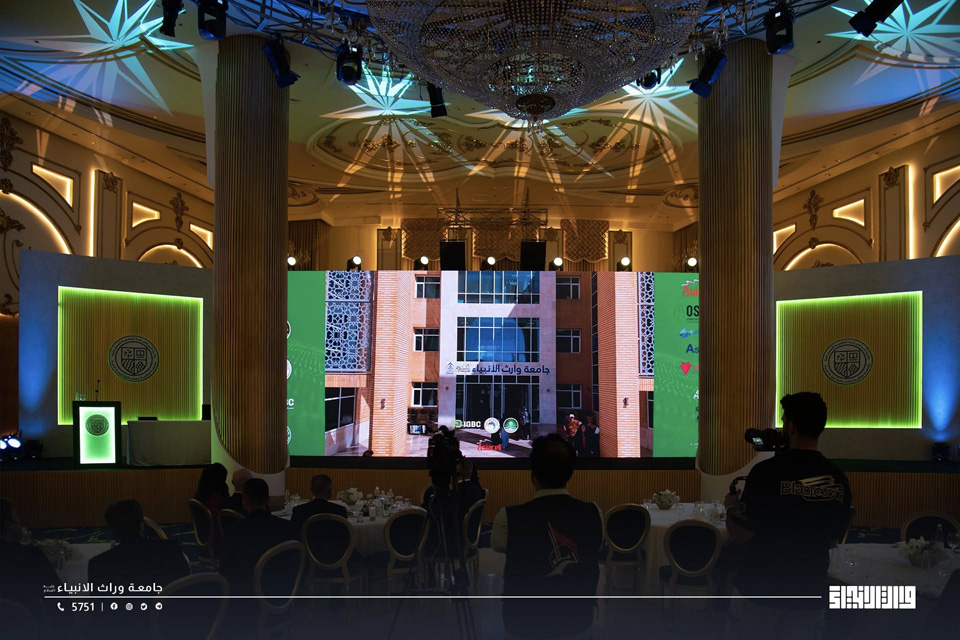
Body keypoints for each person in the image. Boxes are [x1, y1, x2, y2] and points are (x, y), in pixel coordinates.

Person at [724, 392, 852, 640]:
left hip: (760, 590)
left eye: (784, 421)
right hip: (810, 592)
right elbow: (832, 539)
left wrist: (732, 507)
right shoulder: (837, 477)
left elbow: (742, 533)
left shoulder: (765, 473)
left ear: (791, 427)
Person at [491, 434, 603, 639]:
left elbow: (497, 545)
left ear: (532, 474)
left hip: (522, 625)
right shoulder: (594, 513)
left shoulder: (507, 517)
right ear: (570, 473)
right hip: (577, 622)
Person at [88, 500, 190, 590]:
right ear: (142, 525)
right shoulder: (171, 549)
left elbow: (99, 603)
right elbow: (186, 588)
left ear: (111, 530)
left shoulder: (98, 564)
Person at [218, 478, 296, 596]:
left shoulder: (234, 531)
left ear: (244, 501)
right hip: (281, 594)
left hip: (246, 596)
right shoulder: (287, 528)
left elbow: (225, 570)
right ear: (268, 500)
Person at [0, 497, 59, 618]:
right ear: (8, 525)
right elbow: (58, 600)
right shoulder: (31, 556)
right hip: (30, 625)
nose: (20, 522)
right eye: (17, 517)